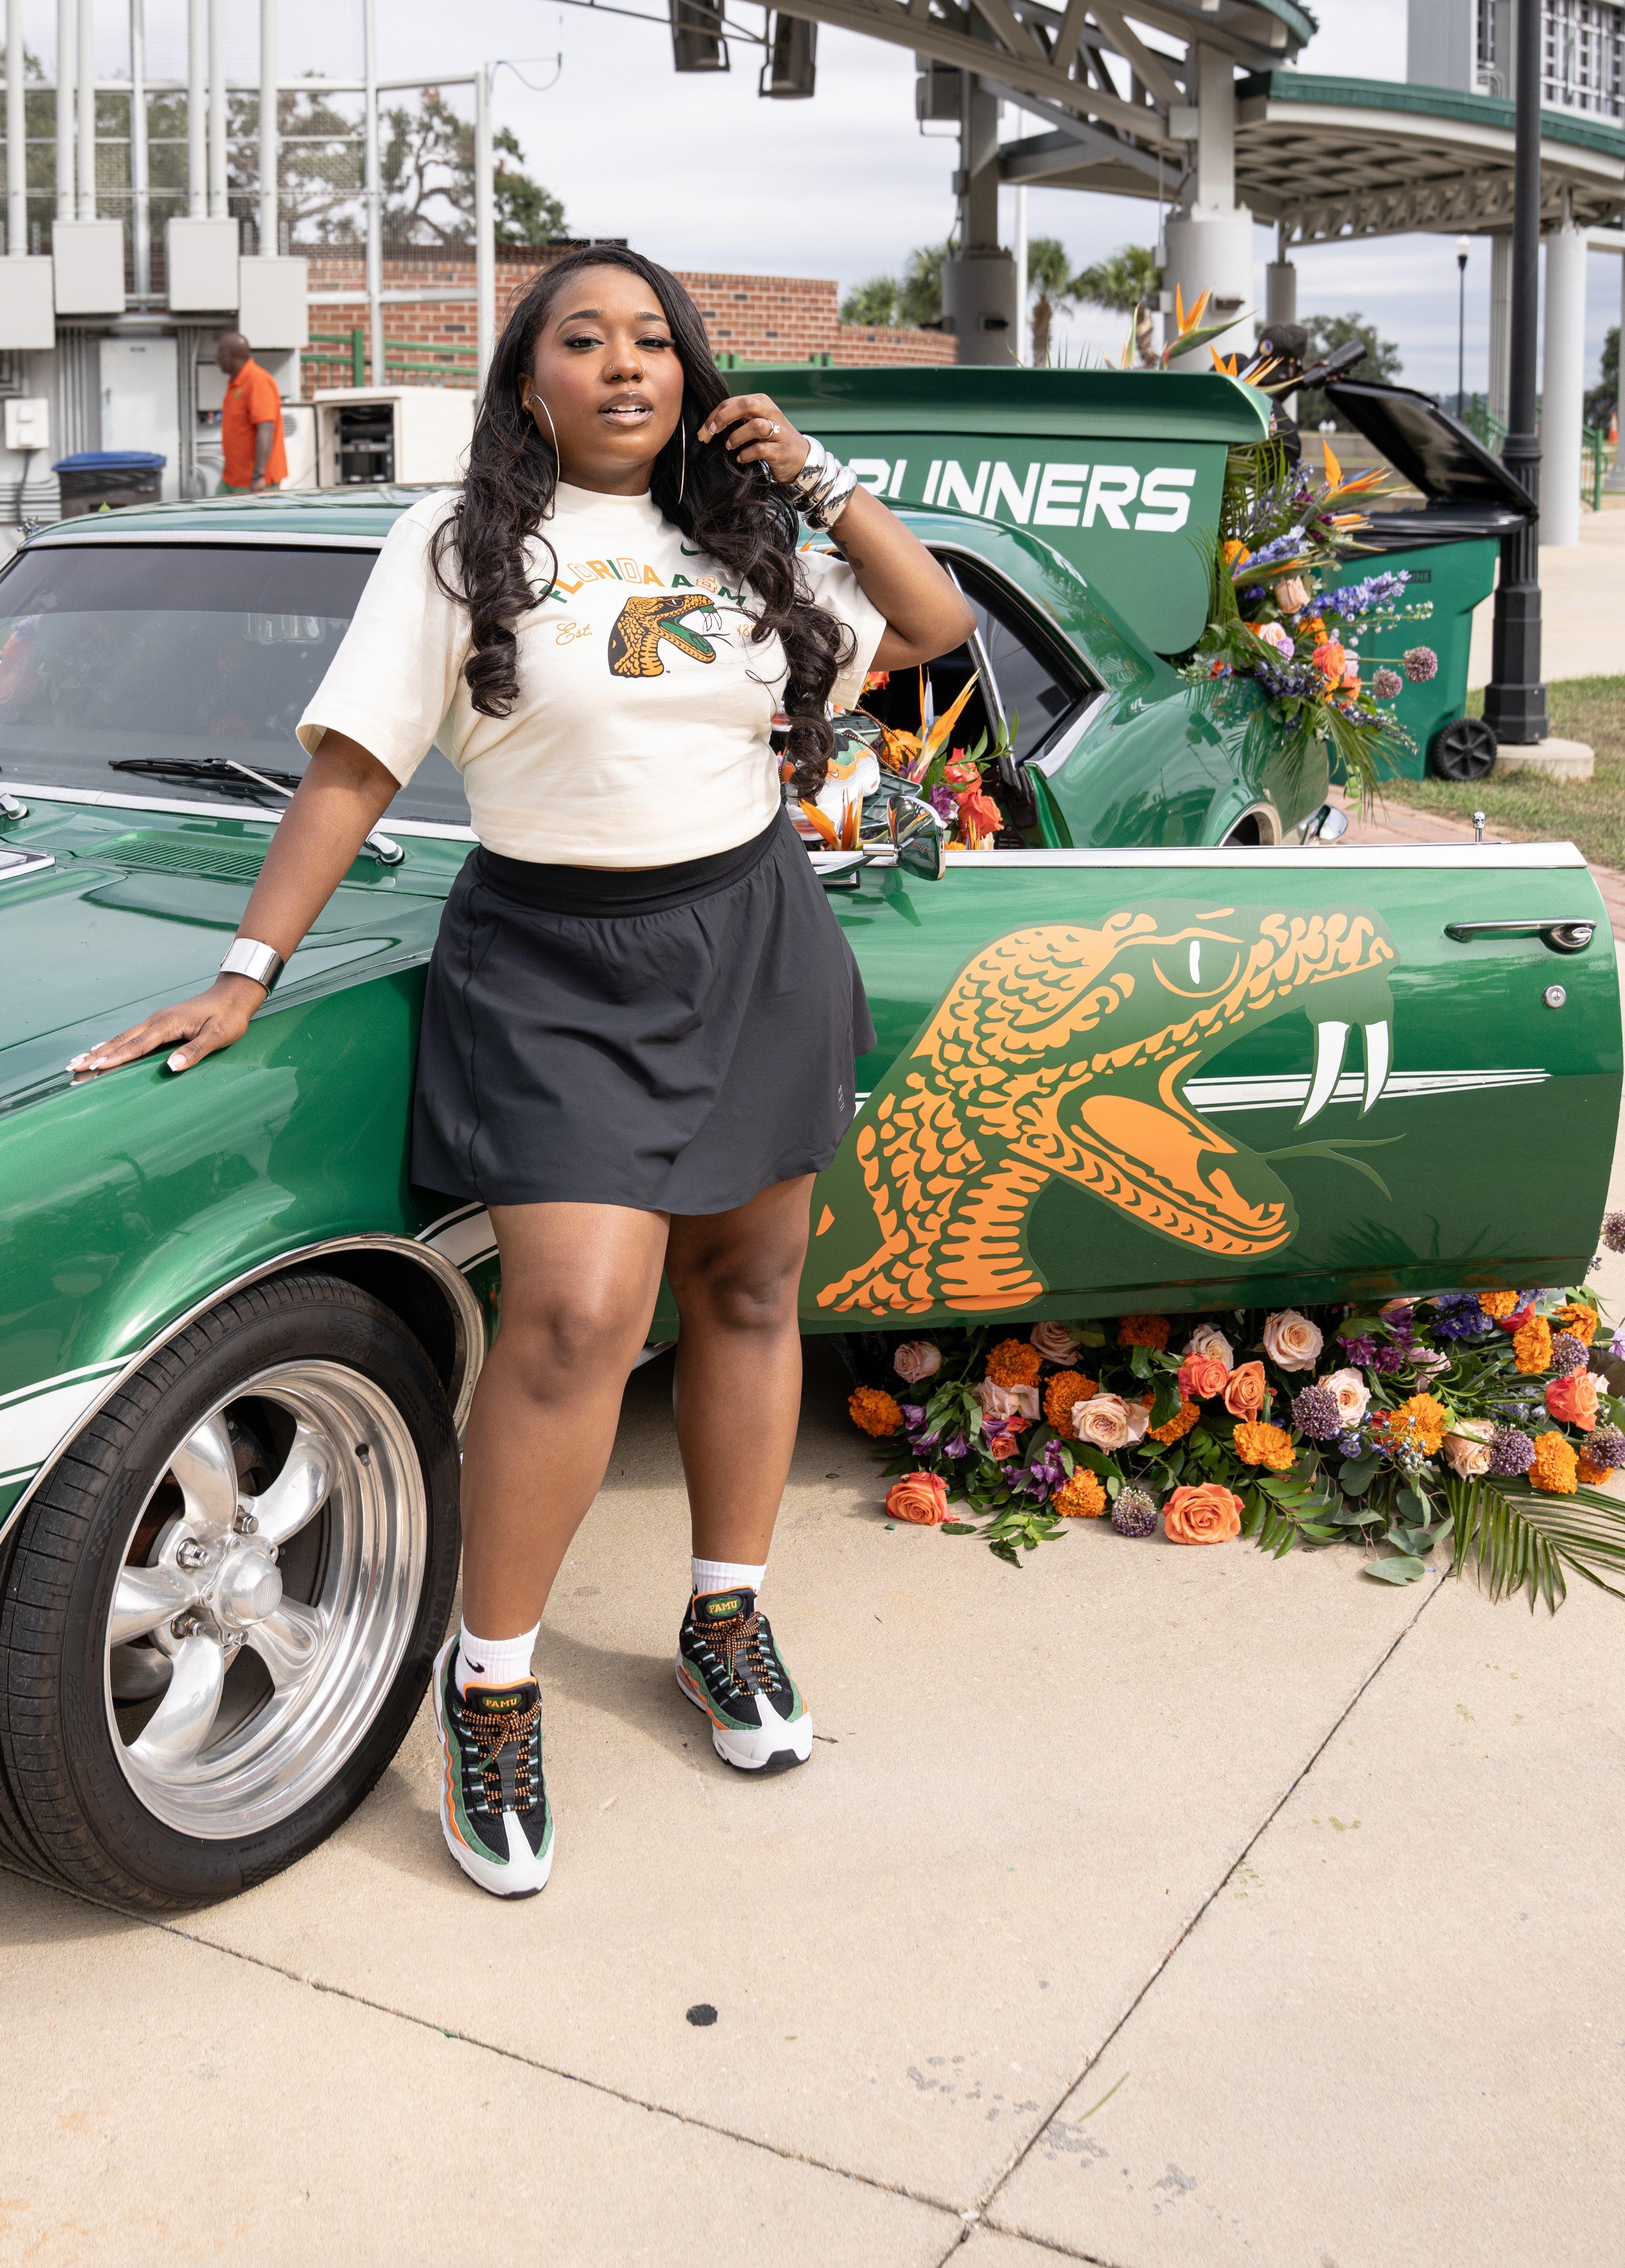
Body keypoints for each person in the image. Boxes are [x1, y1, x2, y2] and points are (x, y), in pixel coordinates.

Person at [72, 246, 975, 1899]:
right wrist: (242, 971)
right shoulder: (458, 542)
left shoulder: (742, 537)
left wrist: (823, 480)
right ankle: (488, 1682)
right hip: (556, 958)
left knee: (756, 1288)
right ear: (528, 374)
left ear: (693, 375)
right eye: (585, 339)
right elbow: (353, 768)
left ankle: (725, 1612)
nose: (625, 367)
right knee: (573, 1318)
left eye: (654, 341)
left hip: (754, 938)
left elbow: (932, 625)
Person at [217, 330, 288, 491]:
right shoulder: (237, 382)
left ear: (232, 355)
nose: (217, 358)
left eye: (220, 352)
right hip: (233, 478)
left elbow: (266, 428)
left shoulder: (257, 380)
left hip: (253, 482)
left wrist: (258, 475)